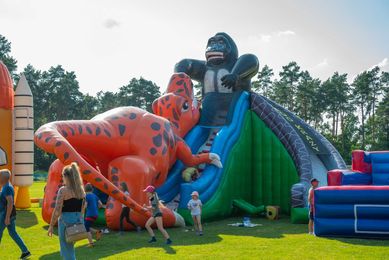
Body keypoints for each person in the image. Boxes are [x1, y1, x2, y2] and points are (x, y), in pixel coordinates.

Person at [47, 163, 86, 260]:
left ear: (66, 176)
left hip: (66, 221)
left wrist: (51, 225)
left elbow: (57, 210)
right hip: (78, 221)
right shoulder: (81, 191)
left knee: (66, 250)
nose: (62, 177)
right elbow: (82, 209)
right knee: (69, 248)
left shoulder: (63, 190)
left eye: (63, 175)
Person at [0, 169, 31, 259]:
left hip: (5, 215)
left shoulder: (7, 188)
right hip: (8, 215)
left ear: (2, 178)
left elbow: (10, 202)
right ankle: (25, 251)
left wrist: (6, 218)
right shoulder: (7, 186)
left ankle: (25, 251)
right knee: (13, 233)